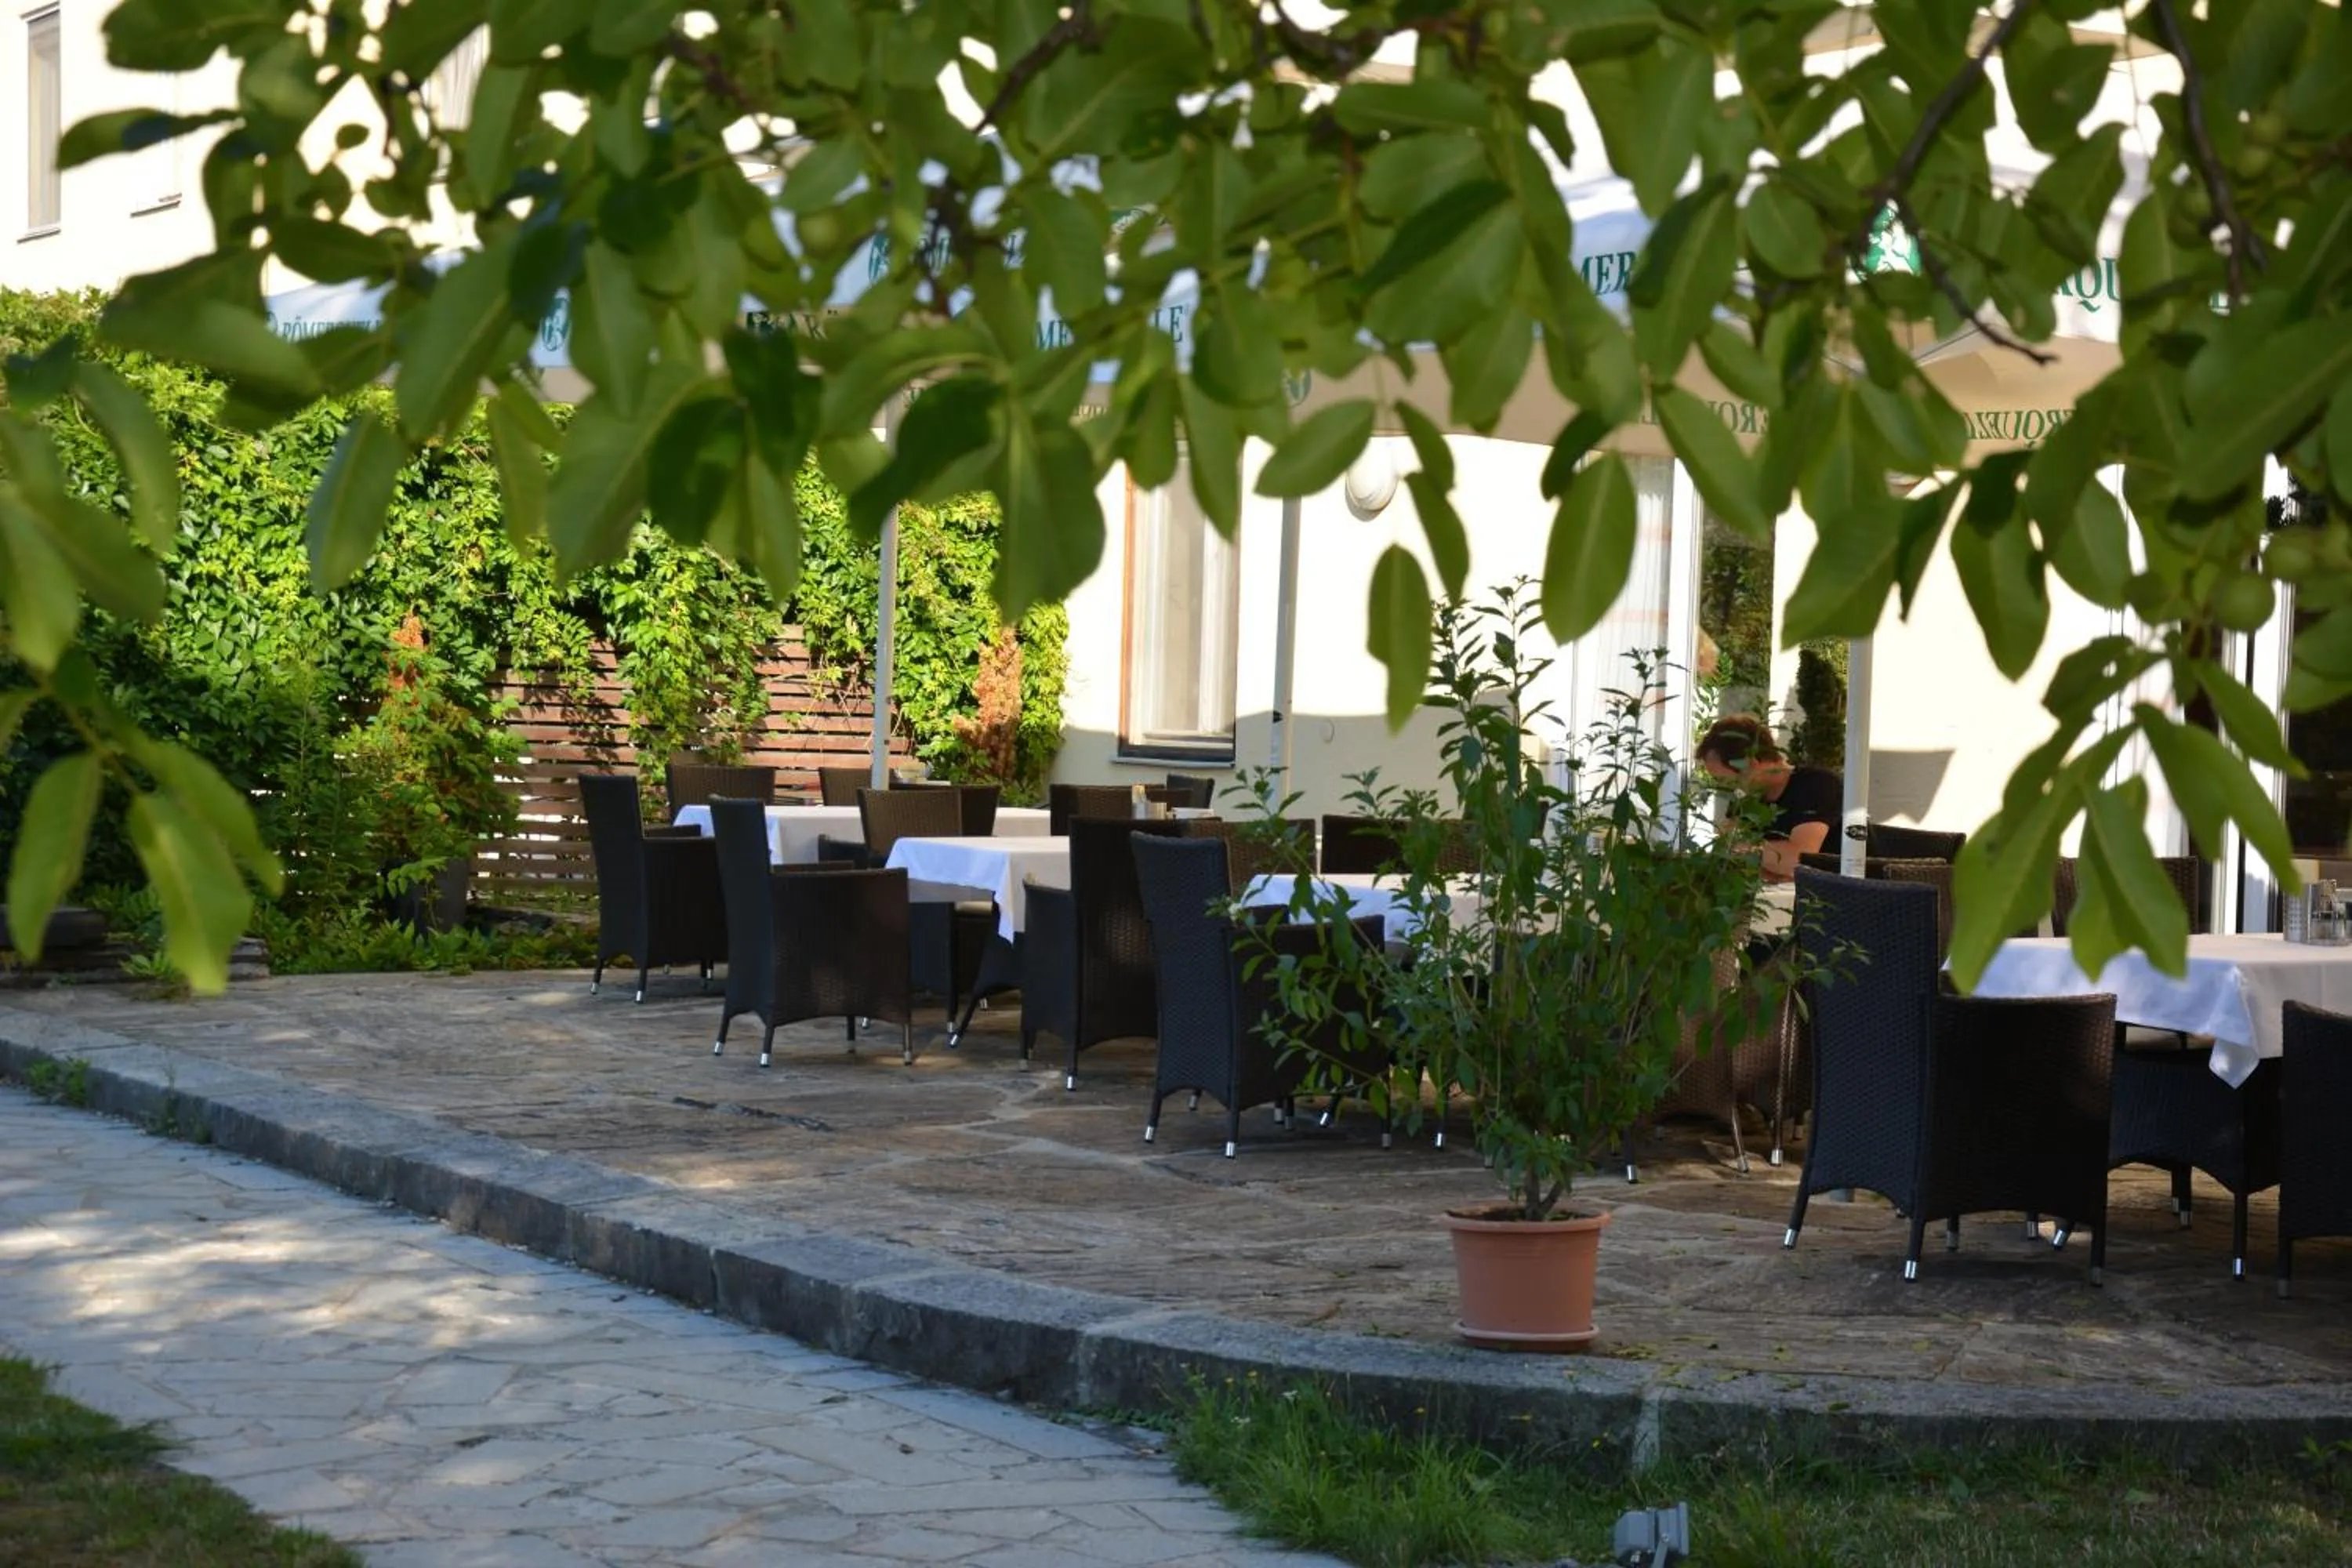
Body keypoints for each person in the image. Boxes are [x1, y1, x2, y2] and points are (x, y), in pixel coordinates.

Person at [1696, 715, 1840, 884]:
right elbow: (1725, 854)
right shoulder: (1746, 796)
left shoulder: (1817, 785)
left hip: (1843, 897)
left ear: (1751, 764)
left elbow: (1799, 860)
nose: (1730, 789)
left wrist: (1745, 851)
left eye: (1731, 781)